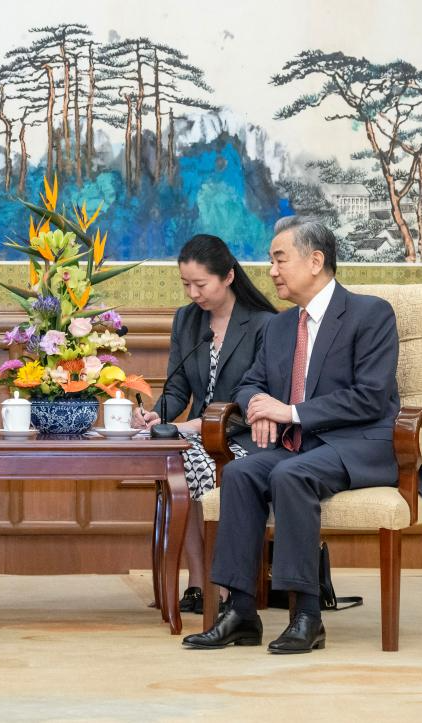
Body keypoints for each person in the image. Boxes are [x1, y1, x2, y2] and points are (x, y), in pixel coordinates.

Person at [183, 216, 412, 654]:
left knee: (290, 475)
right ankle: (240, 612)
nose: (270, 271)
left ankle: (307, 616)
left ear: (315, 261)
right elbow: (250, 383)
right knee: (241, 474)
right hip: (302, 447)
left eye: (279, 259)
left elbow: (370, 397)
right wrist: (257, 404)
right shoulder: (280, 326)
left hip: (359, 445)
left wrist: (288, 412)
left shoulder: (370, 314)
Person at [133, 234, 277, 615]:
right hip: (198, 436)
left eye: (200, 284)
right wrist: (157, 416)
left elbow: (261, 400)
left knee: (187, 458)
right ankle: (198, 582)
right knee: (179, 459)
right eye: (186, 285)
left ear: (228, 277)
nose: (193, 294)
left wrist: (197, 427)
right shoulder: (186, 319)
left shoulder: (264, 324)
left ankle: (224, 585)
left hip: (247, 438)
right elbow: (177, 388)